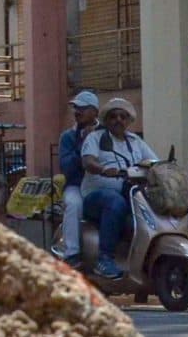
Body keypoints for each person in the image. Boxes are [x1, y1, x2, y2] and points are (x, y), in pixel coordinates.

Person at [78, 97, 154, 280]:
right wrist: (104, 169)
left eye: (123, 116)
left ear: (129, 120)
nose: (118, 120)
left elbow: (153, 163)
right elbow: (88, 161)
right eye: (113, 116)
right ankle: (103, 259)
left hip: (130, 195)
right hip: (96, 197)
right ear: (106, 120)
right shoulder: (96, 138)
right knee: (114, 201)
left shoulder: (136, 142)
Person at [55, 91, 100, 262]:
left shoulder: (104, 133)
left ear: (94, 111)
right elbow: (67, 167)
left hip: (100, 184)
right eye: (76, 108)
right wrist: (82, 144)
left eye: (82, 108)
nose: (77, 111)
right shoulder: (67, 137)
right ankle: (71, 253)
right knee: (74, 204)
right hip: (77, 185)